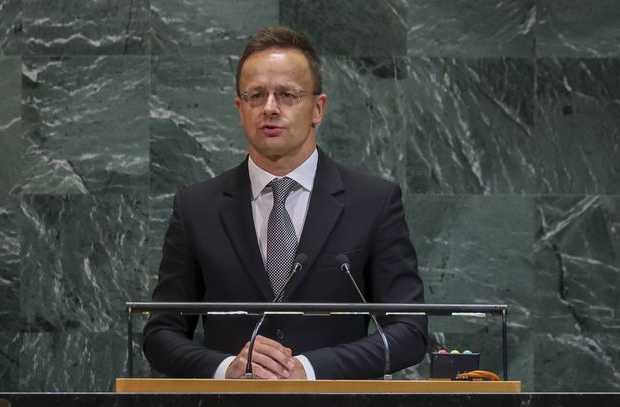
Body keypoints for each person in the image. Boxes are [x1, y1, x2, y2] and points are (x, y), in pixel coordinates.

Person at [143, 26, 427, 379]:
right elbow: (160, 334)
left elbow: (409, 332)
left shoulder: (373, 203)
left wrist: (308, 369)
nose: (270, 108)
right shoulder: (196, 207)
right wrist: (224, 368)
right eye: (256, 96)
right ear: (240, 109)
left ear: (317, 109)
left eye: (288, 95)